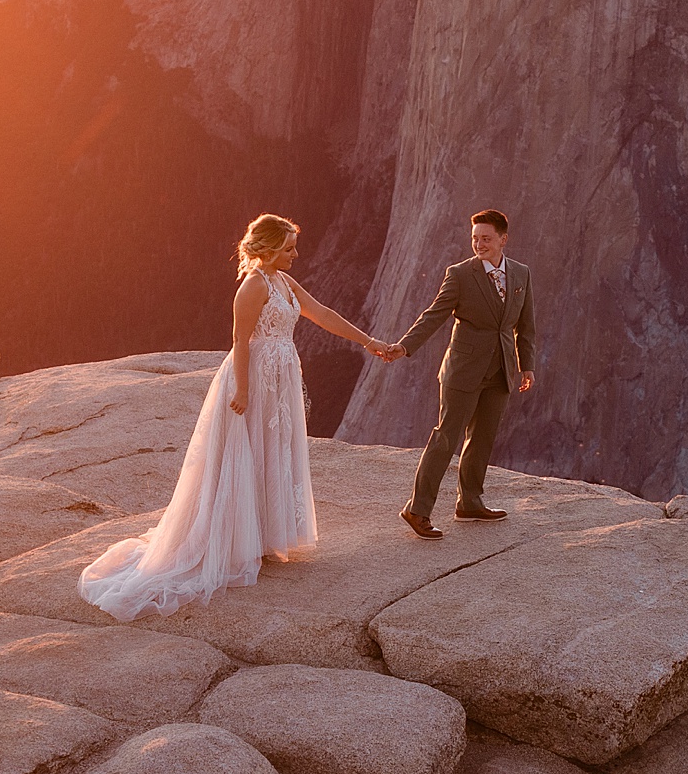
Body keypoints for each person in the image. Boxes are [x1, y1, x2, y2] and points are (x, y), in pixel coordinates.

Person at [80, 214, 394, 619]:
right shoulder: (253, 287)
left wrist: (368, 342)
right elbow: (240, 341)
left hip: (280, 377)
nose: (296, 254)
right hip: (256, 377)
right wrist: (242, 390)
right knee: (246, 452)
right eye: (288, 248)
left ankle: (260, 536)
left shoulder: (283, 282)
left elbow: (322, 313)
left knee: (272, 449)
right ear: (265, 250)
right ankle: (236, 541)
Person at [393, 208, 537, 535]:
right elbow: (434, 315)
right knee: (446, 438)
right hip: (463, 370)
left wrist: (526, 365)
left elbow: (526, 327)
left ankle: (470, 502)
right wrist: (404, 346)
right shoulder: (459, 274)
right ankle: (417, 510)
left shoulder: (521, 274)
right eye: (475, 238)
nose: (479, 244)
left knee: (482, 438)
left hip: (501, 369)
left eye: (486, 238)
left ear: (503, 239)